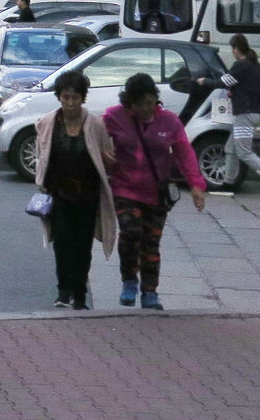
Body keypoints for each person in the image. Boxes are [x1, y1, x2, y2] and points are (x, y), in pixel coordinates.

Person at [102, 71, 205, 310]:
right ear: (129, 102)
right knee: (131, 232)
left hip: (156, 192)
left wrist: (196, 185)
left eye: (150, 103)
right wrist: (103, 153)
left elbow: (184, 152)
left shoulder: (168, 121)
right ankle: (129, 280)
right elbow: (94, 138)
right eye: (140, 104)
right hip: (125, 188)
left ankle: (150, 292)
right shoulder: (113, 117)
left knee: (151, 242)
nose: (146, 109)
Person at [30, 69, 115, 309]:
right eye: (65, 97)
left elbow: (107, 156)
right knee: (62, 242)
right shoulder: (47, 123)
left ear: (83, 98)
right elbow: (41, 154)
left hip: (87, 195)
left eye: (75, 98)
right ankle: (63, 291)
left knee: (83, 246)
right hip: (59, 194)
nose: (70, 103)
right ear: (59, 97)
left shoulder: (95, 124)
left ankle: (80, 293)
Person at [219, 34, 260, 198]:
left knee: (244, 152)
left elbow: (224, 81)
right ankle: (228, 184)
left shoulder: (241, 65)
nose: (232, 51)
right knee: (231, 148)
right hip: (253, 112)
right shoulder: (254, 66)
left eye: (232, 48)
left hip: (245, 113)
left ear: (236, 48)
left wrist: (203, 81)